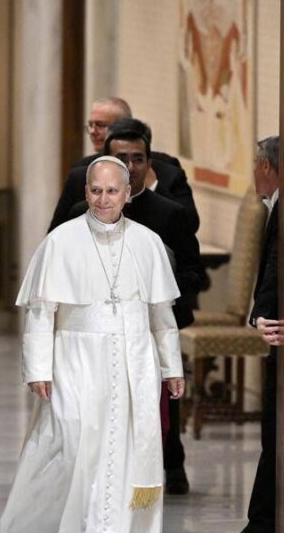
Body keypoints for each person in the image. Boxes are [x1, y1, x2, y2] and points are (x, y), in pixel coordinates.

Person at [0, 156, 186, 533]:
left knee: (130, 454)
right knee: (77, 448)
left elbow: (161, 316)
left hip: (135, 361)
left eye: (112, 191)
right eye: (96, 191)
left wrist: (171, 368)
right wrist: (38, 369)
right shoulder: (61, 241)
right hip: (76, 360)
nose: (104, 199)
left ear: (128, 193)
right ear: (85, 192)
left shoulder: (148, 243)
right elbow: (41, 313)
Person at [62, 120, 203, 494]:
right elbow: (59, 261)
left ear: (148, 162)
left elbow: (193, 273)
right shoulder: (79, 212)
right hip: (95, 332)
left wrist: (160, 297)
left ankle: (167, 463)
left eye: (138, 158)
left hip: (149, 328)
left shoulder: (169, 214)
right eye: (121, 158)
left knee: (156, 403)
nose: (130, 165)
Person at [201, 136, 284, 533]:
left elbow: (277, 269)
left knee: (276, 433)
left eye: (254, 163)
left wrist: (263, 314)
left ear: (265, 166)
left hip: (283, 334)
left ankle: (264, 529)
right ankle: (264, 526)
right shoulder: (279, 205)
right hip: (278, 329)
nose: (253, 171)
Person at [49, 98, 199, 233]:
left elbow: (189, 226)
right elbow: (57, 234)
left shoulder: (168, 170)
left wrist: (153, 186)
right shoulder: (82, 173)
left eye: (101, 125)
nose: (93, 132)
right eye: (91, 125)